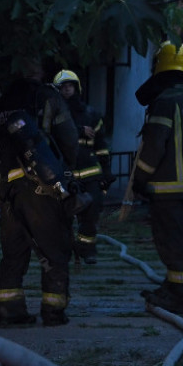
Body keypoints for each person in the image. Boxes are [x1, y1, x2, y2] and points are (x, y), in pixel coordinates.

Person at [0, 58, 81, 327]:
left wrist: (2, 180)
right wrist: (65, 174)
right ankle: (53, 312)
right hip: (44, 187)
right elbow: (69, 139)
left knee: (14, 252)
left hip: (10, 191)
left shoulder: (0, 106)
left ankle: (8, 311)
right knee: (55, 250)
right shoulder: (49, 97)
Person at [131, 41, 183, 315]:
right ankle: (172, 287)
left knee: (169, 242)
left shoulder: (163, 103)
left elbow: (154, 147)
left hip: (164, 186)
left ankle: (179, 295)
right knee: (180, 239)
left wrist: (139, 179)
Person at [52, 69, 115, 264]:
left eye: (69, 86)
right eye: (62, 87)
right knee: (61, 215)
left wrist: (106, 171)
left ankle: (86, 248)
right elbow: (49, 134)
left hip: (90, 173)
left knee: (92, 210)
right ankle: (62, 250)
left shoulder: (91, 115)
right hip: (64, 173)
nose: (66, 90)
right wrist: (78, 130)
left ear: (77, 88)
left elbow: (101, 146)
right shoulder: (53, 116)